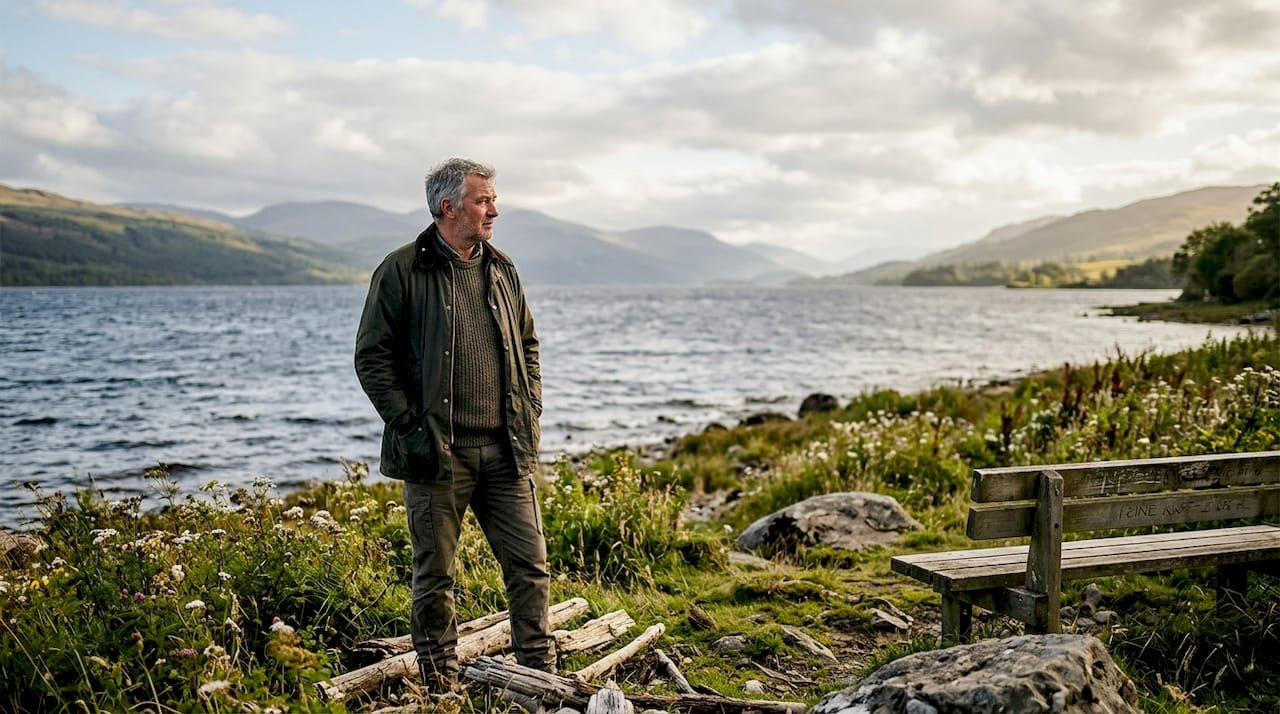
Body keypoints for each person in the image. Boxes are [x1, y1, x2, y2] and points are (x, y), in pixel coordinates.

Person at [354, 158, 552, 694]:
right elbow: (372, 358)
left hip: (506, 449)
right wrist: (411, 426)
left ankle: (541, 681)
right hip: (436, 454)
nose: (495, 209)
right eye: (483, 200)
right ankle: (441, 686)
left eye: (493, 199)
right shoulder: (400, 270)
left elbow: (527, 345)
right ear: (448, 207)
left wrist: (529, 405)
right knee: (435, 579)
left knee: (530, 569)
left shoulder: (502, 268)